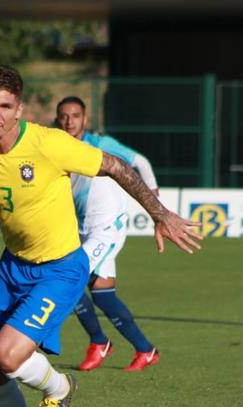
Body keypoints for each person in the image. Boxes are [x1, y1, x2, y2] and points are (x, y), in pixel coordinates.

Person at [0, 66, 202, 407]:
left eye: (4, 106)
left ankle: (60, 387)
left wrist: (159, 214)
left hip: (60, 269)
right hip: (12, 267)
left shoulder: (49, 143)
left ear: (19, 108)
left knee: (7, 355)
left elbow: (117, 166)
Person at [56, 95, 161, 372]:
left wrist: (156, 206)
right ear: (58, 119)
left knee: (67, 279)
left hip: (107, 227)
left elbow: (142, 163)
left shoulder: (101, 144)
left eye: (75, 115)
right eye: (64, 116)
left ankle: (98, 342)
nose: (69, 121)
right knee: (103, 295)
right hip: (82, 228)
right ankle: (145, 349)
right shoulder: (56, 147)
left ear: (85, 119)